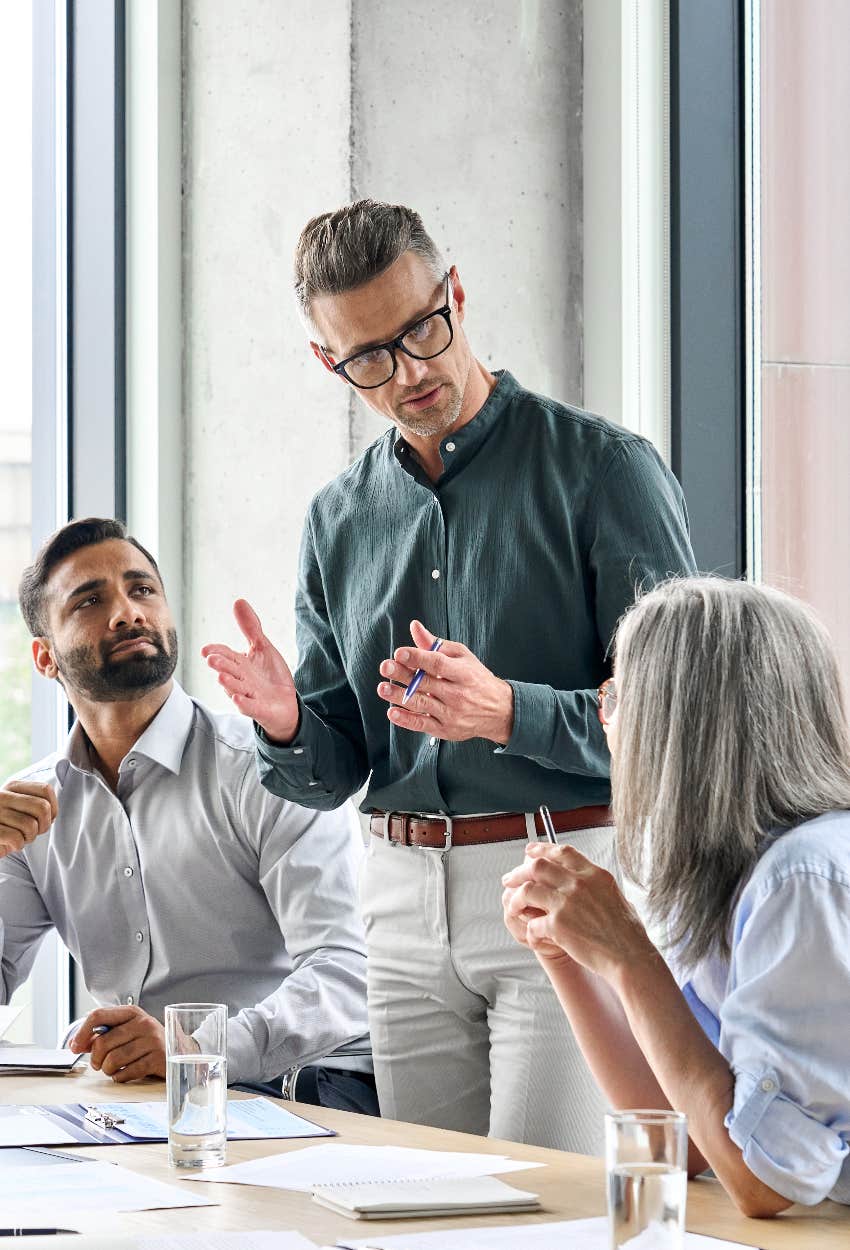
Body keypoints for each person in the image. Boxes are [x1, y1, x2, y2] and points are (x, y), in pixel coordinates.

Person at [202, 199, 697, 1151]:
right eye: (371, 358)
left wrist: (510, 711)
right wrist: (282, 726)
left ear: (456, 294)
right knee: (425, 1203)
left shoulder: (604, 471)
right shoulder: (337, 519)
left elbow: (682, 726)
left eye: (423, 330)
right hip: (393, 897)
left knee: (537, 1205)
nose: (412, 370)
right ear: (329, 364)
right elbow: (334, 764)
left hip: (565, 873)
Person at [0, 517, 376, 1113]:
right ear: (45, 659)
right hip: (142, 1105)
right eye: (91, 601)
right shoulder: (30, 807)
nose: (127, 613)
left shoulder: (265, 770)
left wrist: (195, 1049)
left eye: (142, 589)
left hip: (300, 1089)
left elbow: (347, 972)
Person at [502, 576, 850, 1212]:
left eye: (615, 694)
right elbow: (682, 1137)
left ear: (678, 721)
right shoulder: (724, 868)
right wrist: (565, 951)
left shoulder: (805, 877)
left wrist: (629, 956)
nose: (605, 717)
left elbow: (766, 1181)